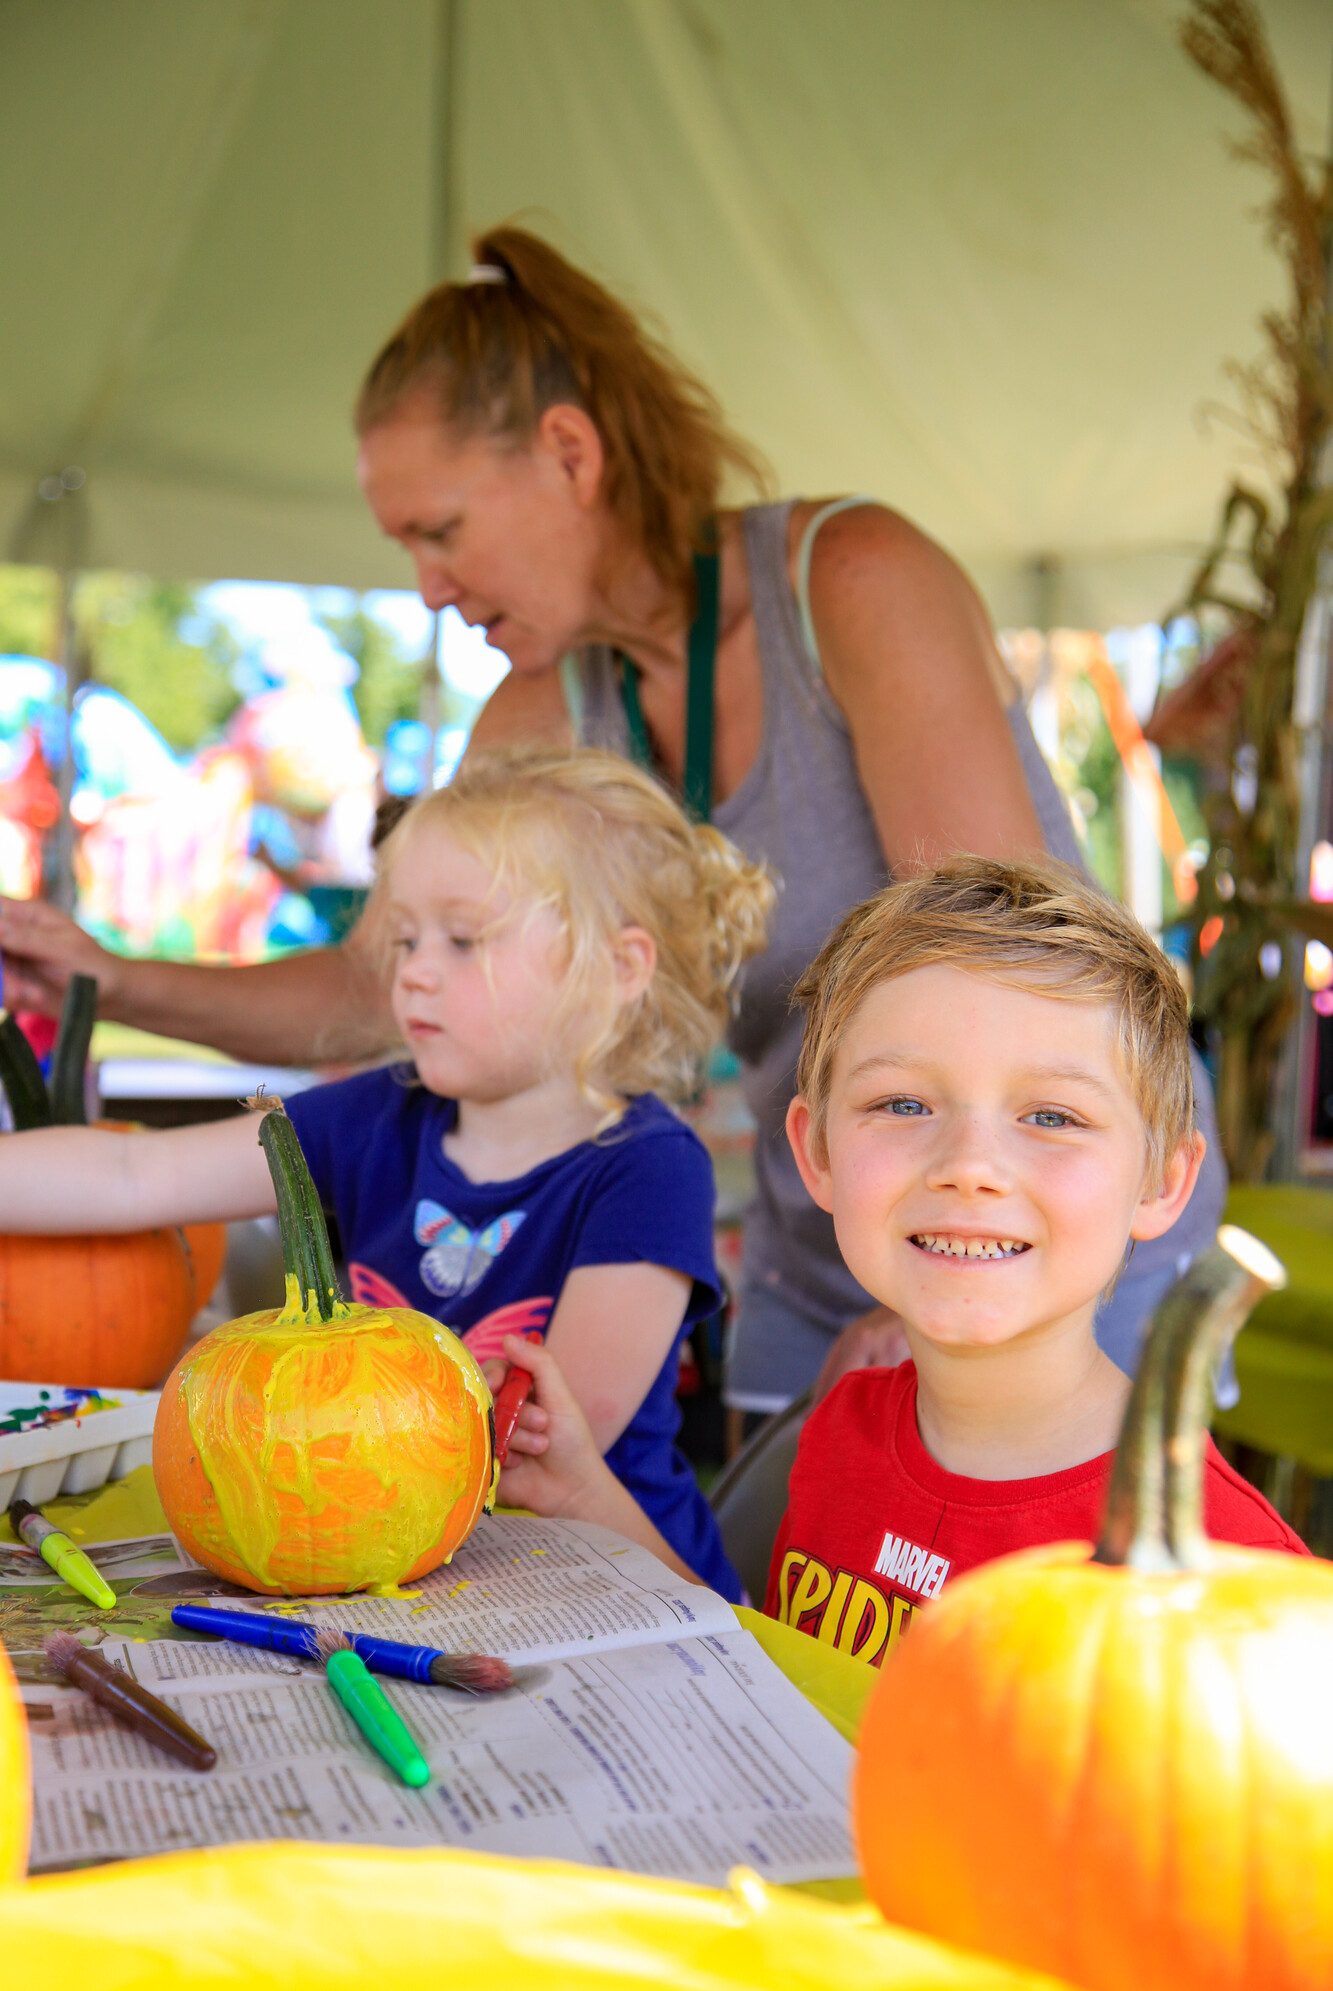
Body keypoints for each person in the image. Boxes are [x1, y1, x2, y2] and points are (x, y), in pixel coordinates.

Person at [0, 225, 1226, 1416]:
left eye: (441, 529)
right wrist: (112, 976)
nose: (427, 585)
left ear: (570, 453)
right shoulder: (542, 702)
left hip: (1040, 1236)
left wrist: (921, 1304)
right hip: (833, 1243)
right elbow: (390, 983)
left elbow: (993, 959)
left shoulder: (848, 583)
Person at [0, 748, 773, 1599]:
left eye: (462, 939)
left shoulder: (649, 1171)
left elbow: (535, 1432)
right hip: (412, 1554)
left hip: (610, 1582)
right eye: (405, 938)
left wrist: (264, 1404)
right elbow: (130, 1174)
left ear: (618, 970)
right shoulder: (373, 1115)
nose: (413, 970)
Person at [485, 855, 1303, 1638]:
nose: (969, 1168)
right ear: (817, 1153)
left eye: (1051, 1116)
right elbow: (778, 1691)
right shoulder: (841, 1429)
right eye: (904, 1104)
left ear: (1161, 1181)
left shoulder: (1227, 1573)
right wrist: (582, 1490)